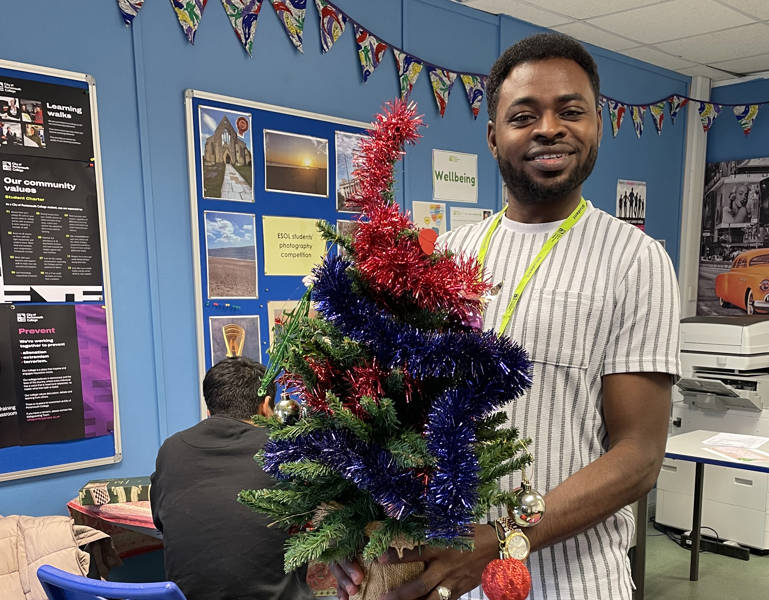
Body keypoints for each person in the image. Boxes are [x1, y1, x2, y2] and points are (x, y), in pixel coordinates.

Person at [330, 32, 680, 600]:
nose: (549, 128)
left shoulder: (636, 261)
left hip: (575, 585)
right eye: (524, 115)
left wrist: (501, 539)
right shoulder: (447, 254)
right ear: (494, 136)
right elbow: (387, 410)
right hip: (440, 579)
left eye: (571, 111)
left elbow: (639, 456)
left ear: (598, 125)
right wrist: (347, 527)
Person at [150, 357, 313, 600]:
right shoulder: (284, 449)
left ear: (209, 410)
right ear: (266, 406)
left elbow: (160, 522)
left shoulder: (171, 449)